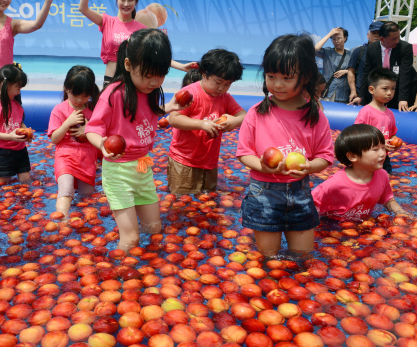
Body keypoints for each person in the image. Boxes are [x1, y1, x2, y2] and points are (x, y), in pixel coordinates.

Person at [85, 28, 187, 251]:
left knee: (154, 229)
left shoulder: (149, 91)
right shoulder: (114, 93)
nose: (154, 82)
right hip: (119, 171)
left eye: (160, 75)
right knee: (131, 240)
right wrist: (102, 143)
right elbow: (92, 128)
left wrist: (169, 108)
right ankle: (116, 278)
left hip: (143, 166)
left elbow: (148, 112)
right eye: (148, 75)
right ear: (129, 65)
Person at [236, 34, 334, 258]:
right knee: (268, 257)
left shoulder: (314, 116)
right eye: (271, 76)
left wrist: (309, 167)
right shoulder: (257, 113)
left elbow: (325, 156)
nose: (277, 84)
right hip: (264, 193)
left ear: (306, 76)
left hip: (300, 193)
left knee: (302, 257)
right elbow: (244, 153)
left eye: (286, 78)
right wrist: (263, 166)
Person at [78, 0, 194, 88]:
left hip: (132, 84)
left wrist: (181, 66)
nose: (126, 4)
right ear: (117, 0)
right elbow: (83, 8)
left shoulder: (142, 29)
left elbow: (156, 53)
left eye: (130, 0)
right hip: (110, 81)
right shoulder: (107, 21)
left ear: (136, 2)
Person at [168, 49, 246, 194]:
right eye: (218, 82)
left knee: (207, 200)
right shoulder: (190, 93)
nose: (221, 88)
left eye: (227, 84)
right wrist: (201, 124)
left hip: (209, 163)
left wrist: (234, 121)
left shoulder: (225, 98)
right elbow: (173, 118)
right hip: (184, 162)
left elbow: (244, 115)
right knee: (181, 204)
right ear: (204, 73)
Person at [313, 124, 407, 222]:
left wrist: (400, 212)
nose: (383, 153)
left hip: (364, 224)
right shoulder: (335, 183)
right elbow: (310, 205)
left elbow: (388, 199)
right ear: (353, 156)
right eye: (375, 149)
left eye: (383, 148)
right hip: (332, 224)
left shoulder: (382, 175)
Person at [48, 66, 100, 217]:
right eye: (75, 94)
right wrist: (66, 123)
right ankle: (61, 220)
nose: (79, 100)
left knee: (87, 195)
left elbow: (102, 135)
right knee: (66, 190)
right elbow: (54, 139)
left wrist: (87, 131)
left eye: (85, 96)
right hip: (66, 157)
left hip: (86, 159)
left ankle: (83, 220)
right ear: (66, 89)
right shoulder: (59, 110)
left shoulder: (93, 111)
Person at [0, 63, 33, 183]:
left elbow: (19, 121)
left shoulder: (14, 103)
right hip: (2, 151)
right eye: (18, 88)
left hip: (20, 149)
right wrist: (9, 137)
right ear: (5, 85)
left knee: (26, 180)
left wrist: (27, 132)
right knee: (3, 182)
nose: (18, 92)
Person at [355, 21, 417, 111]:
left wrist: (402, 98)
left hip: (402, 89)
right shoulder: (371, 48)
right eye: (393, 39)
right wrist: (361, 96)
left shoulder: (405, 48)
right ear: (382, 39)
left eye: (398, 37)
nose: (397, 41)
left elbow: (405, 75)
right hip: (381, 91)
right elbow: (366, 73)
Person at [353, 68, 400, 174]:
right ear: (371, 90)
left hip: (384, 158)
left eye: (393, 89)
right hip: (368, 159)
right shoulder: (366, 112)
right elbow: (357, 136)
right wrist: (381, 144)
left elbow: (392, 134)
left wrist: (395, 142)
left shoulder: (390, 114)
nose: (390, 93)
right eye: (385, 88)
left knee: (386, 182)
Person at [347, 21, 383, 103]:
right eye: (373, 32)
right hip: (360, 94)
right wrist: (353, 91)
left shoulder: (386, 52)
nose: (376, 35)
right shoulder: (359, 51)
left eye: (379, 33)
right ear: (368, 35)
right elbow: (351, 71)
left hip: (379, 95)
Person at [315, 27, 351, 103]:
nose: (336, 41)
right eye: (333, 39)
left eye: (339, 38)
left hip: (344, 94)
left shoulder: (350, 54)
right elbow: (316, 49)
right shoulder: (328, 52)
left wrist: (347, 71)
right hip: (328, 92)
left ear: (345, 38)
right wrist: (330, 34)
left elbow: (356, 70)